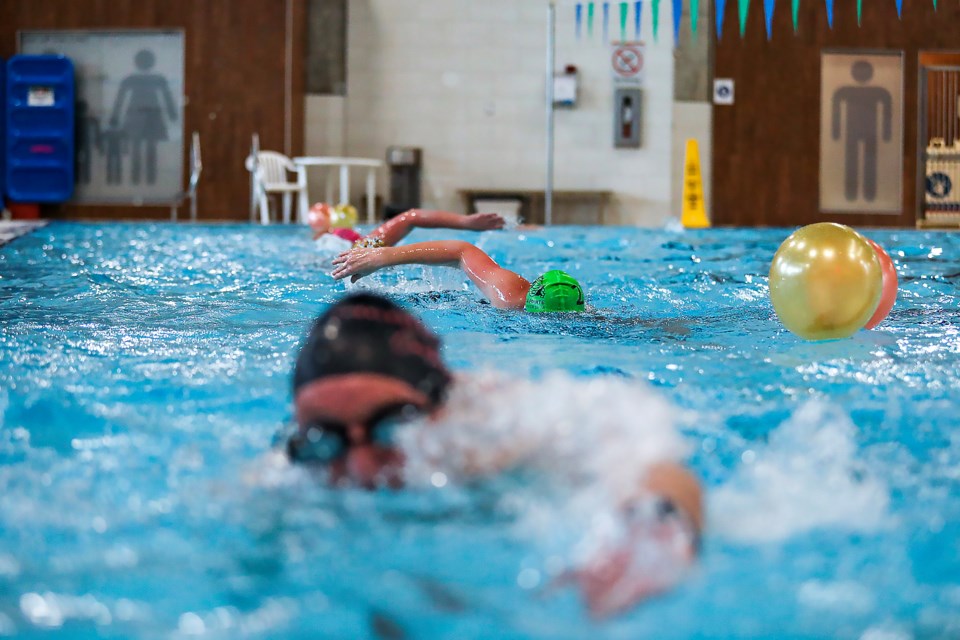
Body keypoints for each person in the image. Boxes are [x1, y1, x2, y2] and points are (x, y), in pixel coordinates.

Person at [286, 292, 703, 617]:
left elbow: (648, 451)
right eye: (329, 438)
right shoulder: (296, 464)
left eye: (393, 425)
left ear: (439, 406)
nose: (363, 467)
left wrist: (651, 530)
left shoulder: (495, 423)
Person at [332, 240, 585, 313]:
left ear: (530, 294)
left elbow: (463, 250)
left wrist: (384, 256)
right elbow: (462, 251)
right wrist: (382, 256)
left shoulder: (509, 296)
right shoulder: (597, 322)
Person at [309, 202, 506, 248]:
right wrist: (465, 222)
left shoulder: (359, 247)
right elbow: (411, 217)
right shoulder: (362, 247)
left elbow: (411, 217)